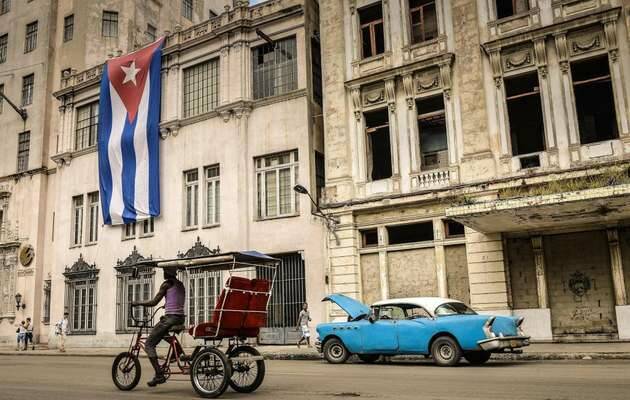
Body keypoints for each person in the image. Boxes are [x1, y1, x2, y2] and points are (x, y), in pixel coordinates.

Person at [132, 266, 185, 387]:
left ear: (168, 272)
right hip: (180, 317)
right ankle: (177, 349)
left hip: (170, 318)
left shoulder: (166, 284)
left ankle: (159, 374)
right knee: (161, 329)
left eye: (165, 272)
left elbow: (153, 302)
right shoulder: (180, 284)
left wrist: (138, 303)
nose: (163, 274)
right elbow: (176, 298)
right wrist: (167, 305)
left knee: (149, 344)